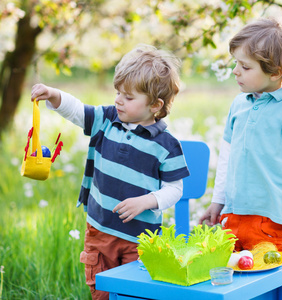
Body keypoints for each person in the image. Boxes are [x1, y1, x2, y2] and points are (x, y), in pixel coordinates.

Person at [31, 44, 190, 300]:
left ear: (155, 105)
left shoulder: (166, 145)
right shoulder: (106, 120)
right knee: (102, 292)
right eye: (118, 92)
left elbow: (174, 189)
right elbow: (76, 110)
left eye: (128, 97)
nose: (118, 100)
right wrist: (52, 94)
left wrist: (147, 201)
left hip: (140, 239)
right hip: (99, 230)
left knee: (136, 294)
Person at [198, 18, 282, 254]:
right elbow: (227, 158)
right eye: (236, 63)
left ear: (275, 72)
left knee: (270, 282)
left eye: (245, 67)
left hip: (272, 221)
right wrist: (218, 201)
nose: (235, 71)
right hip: (232, 217)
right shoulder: (238, 105)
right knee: (232, 280)